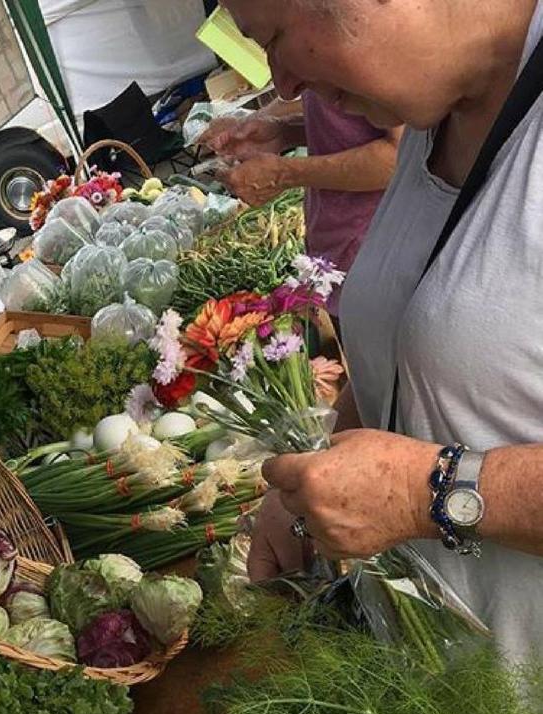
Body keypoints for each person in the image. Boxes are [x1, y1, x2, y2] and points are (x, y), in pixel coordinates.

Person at [221, 0, 543, 668]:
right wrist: (311, 485)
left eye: (276, 37)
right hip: (443, 702)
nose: (282, 84)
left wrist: (420, 492)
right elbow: (405, 351)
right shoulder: (431, 117)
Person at [201, 92, 401, 328]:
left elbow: (399, 155)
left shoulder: (374, 59)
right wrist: (283, 131)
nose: (285, 88)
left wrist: (285, 173)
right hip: (337, 256)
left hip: (381, 261)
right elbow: (352, 126)